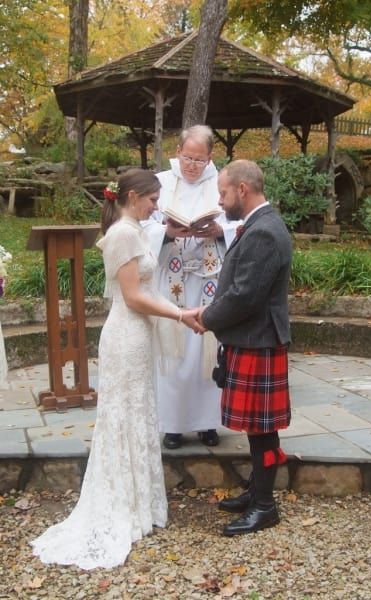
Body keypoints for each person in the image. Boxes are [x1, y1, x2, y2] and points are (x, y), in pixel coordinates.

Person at [31, 168, 201, 570]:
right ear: (131, 196)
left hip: (137, 336)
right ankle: (122, 504)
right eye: (152, 199)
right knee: (122, 417)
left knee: (138, 414)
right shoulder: (123, 234)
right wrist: (180, 313)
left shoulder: (136, 229)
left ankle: (139, 502)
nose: (157, 206)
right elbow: (134, 297)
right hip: (125, 337)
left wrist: (182, 313)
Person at [198, 159, 292, 536]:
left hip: (258, 340)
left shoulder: (264, 231)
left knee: (262, 429)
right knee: (258, 427)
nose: (220, 201)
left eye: (222, 193)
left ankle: (265, 506)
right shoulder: (258, 225)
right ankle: (257, 491)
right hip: (252, 338)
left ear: (242, 189)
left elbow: (244, 297)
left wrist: (204, 318)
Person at [143, 125, 238, 450]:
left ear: (210, 157)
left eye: (199, 159)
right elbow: (144, 223)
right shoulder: (161, 182)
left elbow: (240, 221)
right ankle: (173, 425)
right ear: (178, 151)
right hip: (172, 281)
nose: (192, 165)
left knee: (206, 352)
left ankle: (208, 424)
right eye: (187, 157)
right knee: (174, 351)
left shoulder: (222, 182)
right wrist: (168, 233)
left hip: (209, 279)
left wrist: (218, 230)